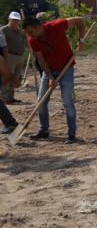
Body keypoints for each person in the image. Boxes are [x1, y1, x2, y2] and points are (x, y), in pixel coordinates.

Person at [23, 16, 87, 144]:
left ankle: (71, 134)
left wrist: (81, 39)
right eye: (27, 33)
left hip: (66, 68)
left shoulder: (56, 26)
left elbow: (80, 20)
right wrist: (51, 77)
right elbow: (41, 60)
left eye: (30, 32)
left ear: (39, 27)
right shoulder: (32, 40)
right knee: (41, 101)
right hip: (49, 71)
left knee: (67, 101)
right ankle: (44, 131)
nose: (29, 36)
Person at [0, 11, 26, 103]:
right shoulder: (4, 30)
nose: (15, 21)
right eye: (13, 20)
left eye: (17, 20)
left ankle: (10, 97)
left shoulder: (19, 31)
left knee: (16, 77)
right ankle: (4, 98)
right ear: (9, 19)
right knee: (8, 76)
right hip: (10, 56)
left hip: (20, 56)